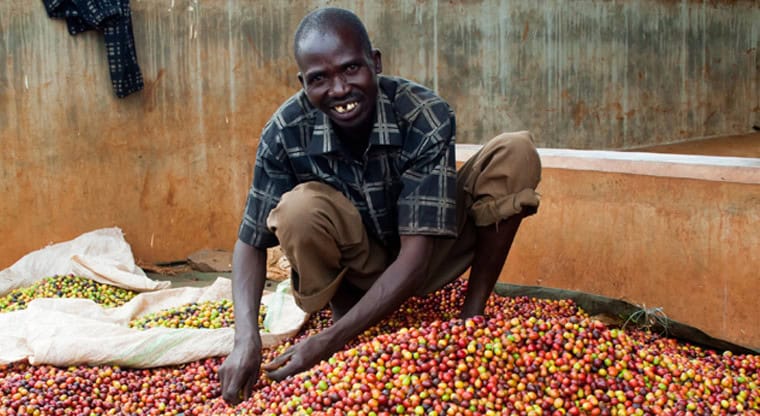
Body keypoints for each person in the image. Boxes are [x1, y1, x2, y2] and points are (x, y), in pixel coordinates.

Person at [218, 7, 542, 405]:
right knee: (296, 210)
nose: (339, 90)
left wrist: (326, 343)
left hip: (428, 255)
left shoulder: (424, 114)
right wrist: (245, 338)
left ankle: (471, 317)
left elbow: (417, 258)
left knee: (516, 151)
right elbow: (250, 240)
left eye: (351, 69)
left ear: (375, 62)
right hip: (358, 268)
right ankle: (346, 315)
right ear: (303, 83)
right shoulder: (284, 131)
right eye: (319, 79)